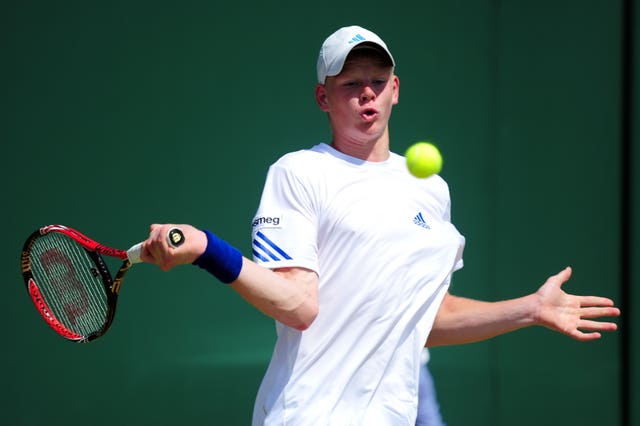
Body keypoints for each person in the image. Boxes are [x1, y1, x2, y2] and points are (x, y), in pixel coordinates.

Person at [139, 25, 620, 426]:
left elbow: (424, 318)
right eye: (349, 83)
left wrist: (529, 309)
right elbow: (297, 304)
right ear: (322, 97)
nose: (366, 92)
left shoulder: (433, 191)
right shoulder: (300, 172)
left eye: (377, 79)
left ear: (395, 89)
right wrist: (207, 250)